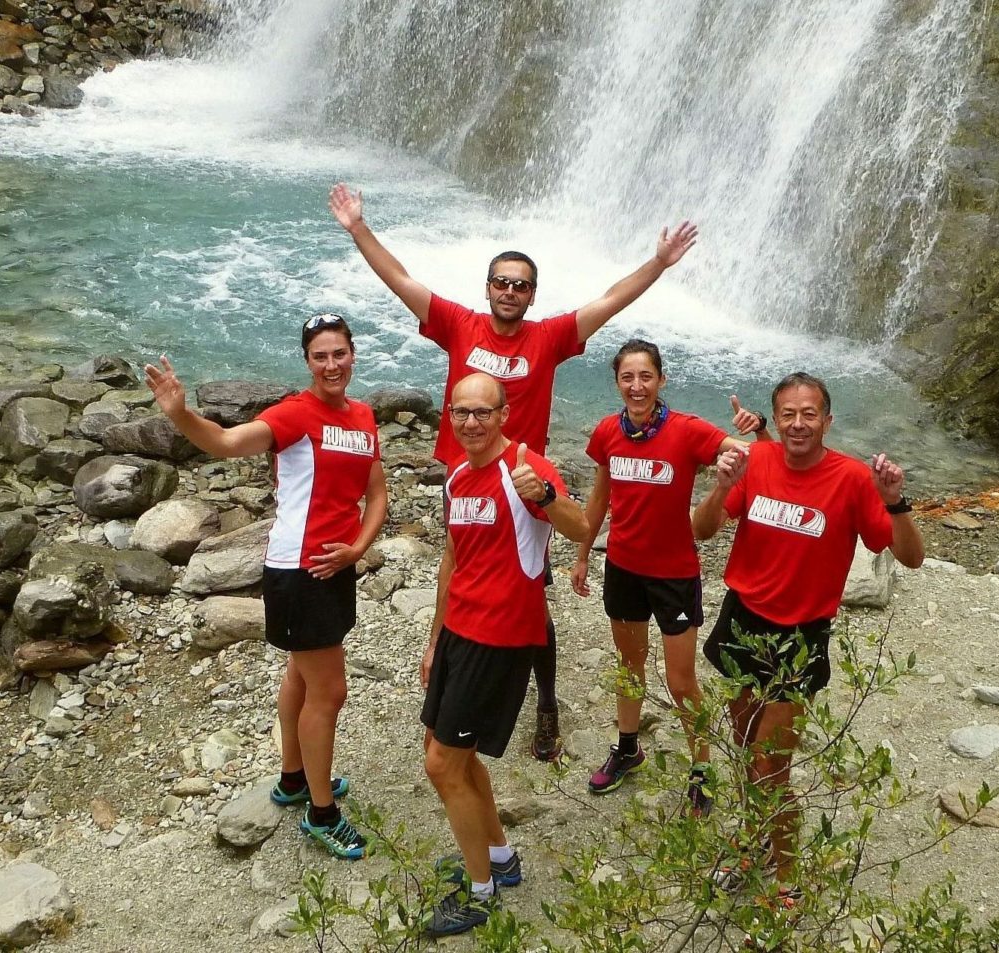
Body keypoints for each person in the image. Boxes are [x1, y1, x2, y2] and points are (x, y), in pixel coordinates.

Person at [330, 181, 698, 761]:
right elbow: (401, 280)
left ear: (531, 296)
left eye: (520, 285)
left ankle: (545, 703)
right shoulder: (458, 323)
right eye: (501, 282)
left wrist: (657, 262)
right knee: (460, 574)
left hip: (525, 487)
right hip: (461, 480)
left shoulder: (548, 337)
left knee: (531, 593)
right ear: (488, 288)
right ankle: (450, 673)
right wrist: (357, 229)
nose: (509, 291)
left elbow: (609, 301)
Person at [144, 314, 388, 861]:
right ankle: (322, 815)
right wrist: (181, 413)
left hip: (335, 565)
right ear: (307, 362)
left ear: (353, 355)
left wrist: (358, 549)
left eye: (339, 354)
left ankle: (295, 779)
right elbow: (228, 443)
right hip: (297, 570)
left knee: (303, 674)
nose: (331, 365)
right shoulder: (295, 415)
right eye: (320, 356)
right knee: (330, 692)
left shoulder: (364, 416)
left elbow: (376, 495)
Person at [691, 371, 924, 908]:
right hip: (744, 619)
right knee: (746, 745)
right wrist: (722, 483)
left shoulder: (849, 479)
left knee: (774, 763)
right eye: (789, 414)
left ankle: (785, 877)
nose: (799, 424)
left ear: (826, 419)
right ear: (778, 418)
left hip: (800, 635)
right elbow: (702, 531)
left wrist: (896, 500)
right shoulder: (758, 460)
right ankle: (754, 842)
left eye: (809, 414)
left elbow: (911, 558)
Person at [419, 372, 589, 936]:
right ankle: (497, 858)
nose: (471, 422)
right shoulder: (457, 477)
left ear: (504, 414)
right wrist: (433, 638)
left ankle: (479, 893)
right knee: (453, 758)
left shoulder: (526, 468)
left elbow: (581, 525)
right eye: (461, 412)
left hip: (501, 639)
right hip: (460, 633)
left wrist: (543, 495)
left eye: (482, 413)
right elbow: (452, 561)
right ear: (451, 416)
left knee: (442, 764)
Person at [569, 339, 770, 814]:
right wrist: (582, 554)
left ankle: (701, 768)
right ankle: (627, 747)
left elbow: (751, 457)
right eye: (627, 378)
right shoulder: (607, 433)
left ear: (661, 380)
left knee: (681, 681)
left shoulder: (686, 431)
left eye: (645, 377)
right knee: (629, 666)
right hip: (622, 567)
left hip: (674, 574)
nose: (636, 387)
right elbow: (600, 498)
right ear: (617, 382)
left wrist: (757, 428)